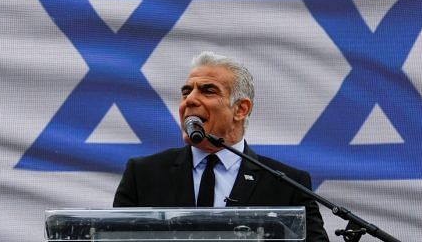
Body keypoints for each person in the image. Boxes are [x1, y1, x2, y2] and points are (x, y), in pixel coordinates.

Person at [114, 51, 329, 242]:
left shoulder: (287, 184)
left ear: (241, 109)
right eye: (186, 91)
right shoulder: (143, 174)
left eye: (208, 91)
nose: (190, 100)